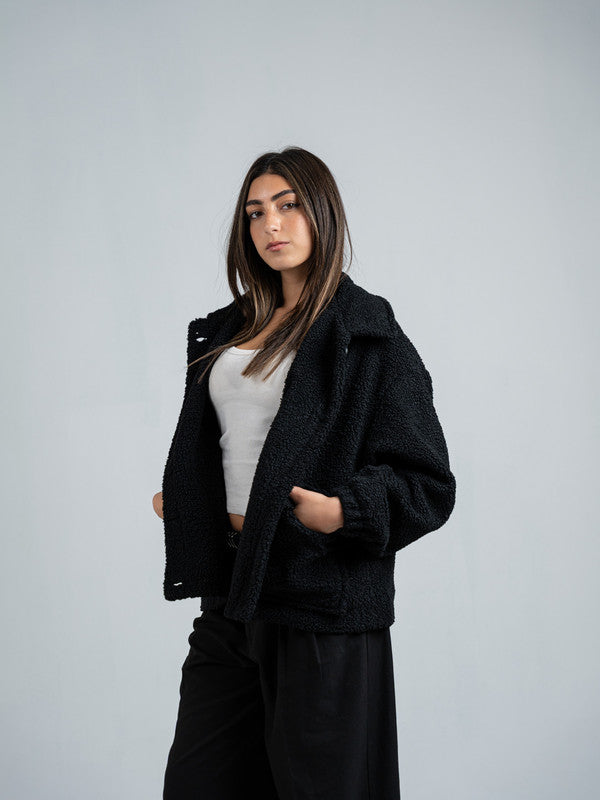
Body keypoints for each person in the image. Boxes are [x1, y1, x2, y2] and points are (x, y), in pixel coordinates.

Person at [152, 146, 456, 799]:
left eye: (288, 206)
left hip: (319, 598)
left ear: (322, 214)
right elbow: (227, 444)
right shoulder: (227, 331)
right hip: (232, 592)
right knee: (199, 783)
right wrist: (185, 495)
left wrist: (344, 512)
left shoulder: (364, 331)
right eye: (256, 211)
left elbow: (427, 480)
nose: (271, 225)